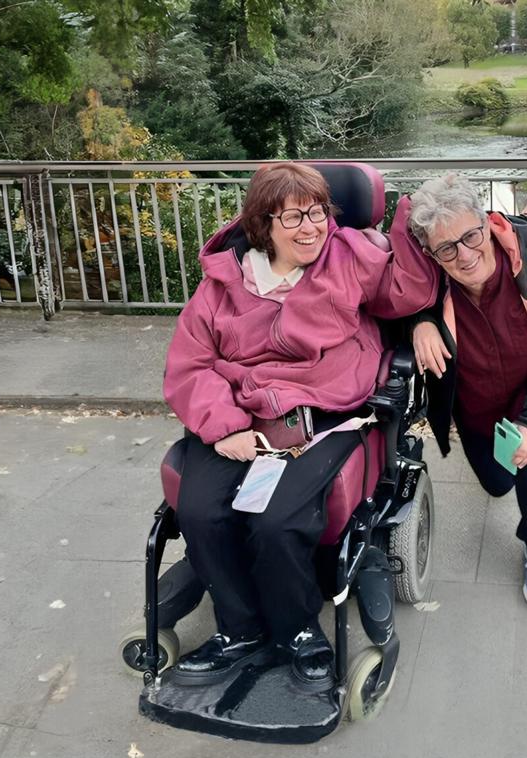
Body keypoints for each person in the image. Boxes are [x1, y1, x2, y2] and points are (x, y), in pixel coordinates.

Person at [162, 162, 436, 688]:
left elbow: (406, 291)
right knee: (198, 511)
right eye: (293, 217)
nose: (311, 227)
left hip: (321, 415)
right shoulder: (223, 281)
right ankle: (238, 630)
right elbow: (190, 363)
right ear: (263, 224)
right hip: (239, 416)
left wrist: (407, 221)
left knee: (276, 522)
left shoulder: (351, 254)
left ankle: (297, 632)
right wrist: (224, 428)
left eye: (318, 212)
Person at [391, 173, 527, 608]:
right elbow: (385, 305)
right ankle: (506, 469)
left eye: (470, 236)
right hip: (474, 405)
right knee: (498, 481)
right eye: (447, 248)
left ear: (486, 222)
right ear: (431, 254)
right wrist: (418, 321)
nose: (464, 255)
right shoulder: (427, 278)